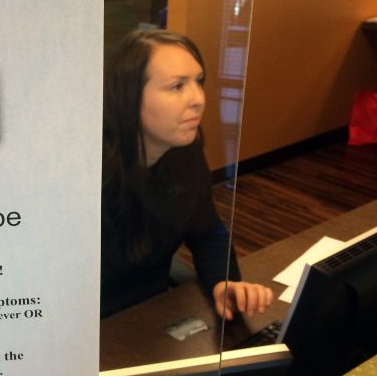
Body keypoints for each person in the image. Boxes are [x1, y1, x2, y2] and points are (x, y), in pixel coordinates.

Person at [101, 28, 273, 319]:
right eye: (177, 86)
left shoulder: (183, 150)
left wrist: (224, 281)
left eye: (199, 81)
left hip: (152, 312)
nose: (198, 99)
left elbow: (206, 230)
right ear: (128, 97)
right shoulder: (91, 175)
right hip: (97, 331)